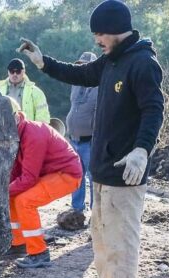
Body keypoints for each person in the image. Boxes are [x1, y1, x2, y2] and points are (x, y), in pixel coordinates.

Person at [19, 0, 164, 278]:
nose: (97, 39)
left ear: (115, 29)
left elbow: (154, 109)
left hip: (124, 175)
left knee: (120, 243)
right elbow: (80, 74)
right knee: (101, 240)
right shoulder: (111, 61)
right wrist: (43, 63)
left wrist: (142, 150)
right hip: (102, 170)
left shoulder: (142, 63)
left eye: (100, 34)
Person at [7, 101, 83, 269]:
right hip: (52, 173)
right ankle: (18, 243)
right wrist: (6, 190)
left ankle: (39, 252)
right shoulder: (19, 134)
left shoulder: (33, 135)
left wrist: (2, 191)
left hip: (67, 174)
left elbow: (28, 178)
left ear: (17, 116)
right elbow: (16, 171)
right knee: (12, 197)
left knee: (24, 201)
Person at [65, 52, 98, 215]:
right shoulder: (76, 83)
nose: (81, 68)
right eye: (79, 65)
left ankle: (95, 212)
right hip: (73, 139)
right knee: (76, 175)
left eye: (85, 65)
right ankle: (77, 209)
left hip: (90, 141)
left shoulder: (100, 86)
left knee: (93, 178)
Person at [0, 59, 50, 123]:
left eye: (18, 71)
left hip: (26, 131)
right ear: (8, 72)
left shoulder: (36, 93)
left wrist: (33, 131)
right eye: (12, 71)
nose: (15, 74)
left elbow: (43, 120)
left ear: (24, 71)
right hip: (2, 131)